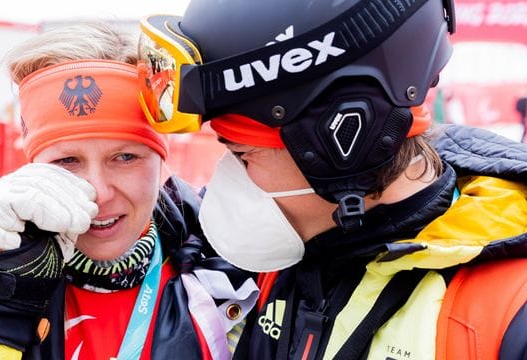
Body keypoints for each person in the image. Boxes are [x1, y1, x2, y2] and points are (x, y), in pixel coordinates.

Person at [136, 0, 527, 359]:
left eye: (241, 154)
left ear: (342, 143)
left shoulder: (508, 307)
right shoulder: (293, 246)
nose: (228, 181)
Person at [0, 21, 258, 360]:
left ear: (162, 160)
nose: (97, 192)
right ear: (30, 165)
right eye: (67, 161)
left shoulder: (235, 260)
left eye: (126, 157)